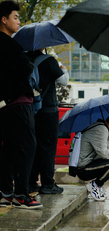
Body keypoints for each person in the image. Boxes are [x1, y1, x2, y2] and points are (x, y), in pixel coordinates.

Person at [0, 0, 42, 209]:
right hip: (18, 102)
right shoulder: (8, 44)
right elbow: (25, 68)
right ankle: (21, 194)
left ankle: (6, 191)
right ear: (4, 19)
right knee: (27, 145)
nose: (18, 21)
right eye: (15, 17)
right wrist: (26, 61)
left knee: (9, 147)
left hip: (6, 105)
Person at [27, 49, 69, 194]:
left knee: (34, 147)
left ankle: (31, 182)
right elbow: (64, 81)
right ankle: (48, 184)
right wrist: (63, 69)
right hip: (48, 110)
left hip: (30, 109)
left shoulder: (25, 59)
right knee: (48, 147)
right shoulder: (49, 61)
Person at [76, 113, 109, 201]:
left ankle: (98, 185)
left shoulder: (102, 127)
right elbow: (104, 154)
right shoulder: (101, 129)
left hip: (88, 165)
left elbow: (104, 151)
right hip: (83, 169)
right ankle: (95, 185)